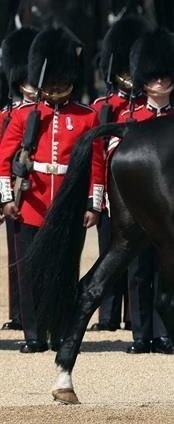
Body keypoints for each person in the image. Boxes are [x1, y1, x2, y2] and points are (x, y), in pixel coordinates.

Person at [0, 27, 106, 353]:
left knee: (64, 271)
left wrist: (94, 204)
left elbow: (97, 163)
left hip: (68, 206)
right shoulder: (26, 116)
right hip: (30, 203)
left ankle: (60, 331)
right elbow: (3, 160)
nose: (57, 89)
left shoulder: (87, 117)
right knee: (30, 273)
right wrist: (7, 198)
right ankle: (33, 335)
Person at [120, 28, 174, 355]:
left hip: (171, 212)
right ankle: (139, 333)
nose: (159, 81)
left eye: (164, 76)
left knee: (166, 272)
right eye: (153, 76)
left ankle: (164, 334)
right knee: (138, 271)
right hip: (136, 207)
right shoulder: (128, 119)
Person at [90, 16, 149, 332]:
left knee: (139, 259)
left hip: (140, 193)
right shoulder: (105, 106)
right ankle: (108, 315)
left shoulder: (145, 108)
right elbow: (97, 157)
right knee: (108, 255)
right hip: (111, 194)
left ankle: (136, 319)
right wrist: (96, 199)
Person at [0, 27, 38, 333]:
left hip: (37, 190)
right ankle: (17, 312)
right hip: (14, 187)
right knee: (16, 255)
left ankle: (30, 315)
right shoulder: (7, 114)